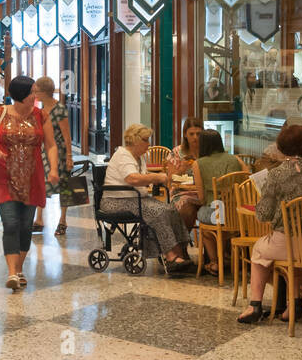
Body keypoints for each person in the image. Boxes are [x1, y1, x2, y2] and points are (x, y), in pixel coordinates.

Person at [238, 124, 302, 324]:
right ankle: (294, 305)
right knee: (291, 260)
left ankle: (254, 305)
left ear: (281, 147)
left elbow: (263, 214)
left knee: (258, 251)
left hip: (288, 243)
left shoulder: (276, 174)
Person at [0, 76, 59, 293]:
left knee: (25, 226)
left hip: (32, 178)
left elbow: (50, 145)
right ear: (21, 95)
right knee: (11, 223)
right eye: (32, 92)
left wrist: (54, 169)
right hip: (5, 177)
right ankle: (12, 272)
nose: (35, 96)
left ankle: (19, 269)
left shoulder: (41, 116)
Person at [102, 124, 193, 274]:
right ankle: (170, 256)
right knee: (157, 211)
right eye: (145, 140)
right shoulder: (123, 155)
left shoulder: (139, 157)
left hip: (134, 199)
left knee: (171, 209)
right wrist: (155, 177)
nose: (149, 144)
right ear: (135, 141)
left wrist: (155, 178)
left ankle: (181, 253)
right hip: (115, 201)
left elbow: (141, 177)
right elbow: (132, 179)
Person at [191, 128, 247, 276]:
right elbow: (248, 179)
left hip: (217, 213)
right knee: (222, 226)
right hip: (237, 214)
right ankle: (226, 258)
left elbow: (202, 197)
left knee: (203, 220)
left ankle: (216, 262)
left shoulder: (198, 164)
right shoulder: (236, 159)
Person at [32, 76, 74, 238]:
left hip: (60, 152)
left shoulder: (59, 109)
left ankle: (63, 219)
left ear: (44, 92)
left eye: (36, 91)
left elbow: (66, 135)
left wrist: (69, 157)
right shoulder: (40, 110)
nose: (34, 94)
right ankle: (39, 218)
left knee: (64, 185)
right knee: (40, 183)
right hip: (44, 151)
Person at [165, 116, 204, 234]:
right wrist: (182, 169)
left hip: (204, 193)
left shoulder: (207, 151)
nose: (195, 138)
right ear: (185, 135)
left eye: (198, 134)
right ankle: (181, 246)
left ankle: (212, 249)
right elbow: (169, 179)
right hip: (182, 192)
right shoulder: (177, 152)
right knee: (187, 211)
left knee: (220, 211)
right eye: (191, 134)